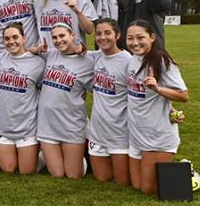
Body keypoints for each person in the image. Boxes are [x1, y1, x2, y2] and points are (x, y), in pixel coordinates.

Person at [125, 20, 189, 195]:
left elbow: (184, 95)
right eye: (130, 38)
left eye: (140, 37)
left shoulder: (161, 60)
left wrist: (158, 89)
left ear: (152, 37)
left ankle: (189, 174)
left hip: (157, 134)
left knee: (148, 189)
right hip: (136, 132)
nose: (135, 42)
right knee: (137, 185)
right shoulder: (133, 60)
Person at [35, 23, 94, 179]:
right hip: (48, 122)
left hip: (71, 123)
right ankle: (43, 156)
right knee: (57, 174)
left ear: (73, 35)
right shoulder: (50, 54)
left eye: (62, 36)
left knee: (74, 175)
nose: (58, 40)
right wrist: (36, 49)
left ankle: (84, 156)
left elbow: (108, 56)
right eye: (54, 37)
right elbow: (25, 52)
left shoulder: (88, 59)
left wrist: (81, 49)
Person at [0, 24, 45, 174]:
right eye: (7, 39)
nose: (11, 42)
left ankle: (44, 155)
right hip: (4, 126)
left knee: (26, 171)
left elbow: (48, 90)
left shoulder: (38, 63)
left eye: (15, 37)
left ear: (24, 38)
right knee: (9, 169)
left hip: (26, 128)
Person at [86, 18, 131, 185]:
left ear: (117, 35)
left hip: (119, 131)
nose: (102, 37)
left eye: (107, 33)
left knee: (122, 182)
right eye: (98, 34)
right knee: (102, 179)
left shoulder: (128, 61)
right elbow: (75, 50)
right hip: (97, 131)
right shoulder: (96, 57)